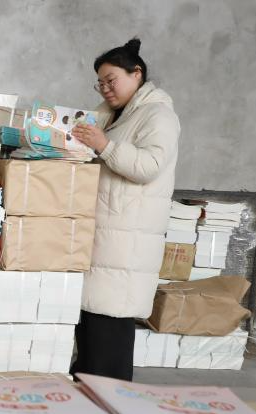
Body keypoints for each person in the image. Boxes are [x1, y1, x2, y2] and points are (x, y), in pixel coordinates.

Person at [70, 38, 181, 381]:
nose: (105, 89)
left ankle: (111, 400)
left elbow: (149, 165)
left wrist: (104, 145)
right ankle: (88, 394)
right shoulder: (113, 116)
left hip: (126, 240)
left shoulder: (159, 115)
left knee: (109, 328)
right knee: (91, 330)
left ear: (137, 74)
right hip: (107, 234)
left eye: (111, 80)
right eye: (100, 83)